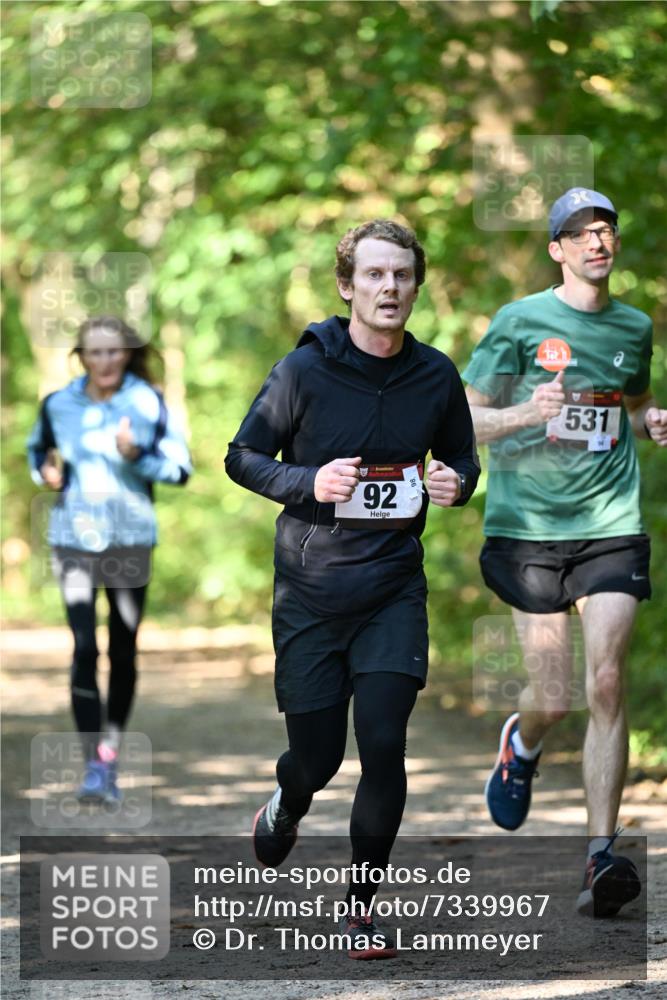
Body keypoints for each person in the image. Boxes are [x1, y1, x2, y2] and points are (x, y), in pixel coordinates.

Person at [226, 220, 479, 959]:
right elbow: (241, 457)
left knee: (383, 743)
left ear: (415, 286)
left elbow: (461, 458)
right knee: (318, 758)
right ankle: (287, 798)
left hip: (391, 588)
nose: (388, 288)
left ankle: (359, 908)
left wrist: (455, 482)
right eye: (373, 275)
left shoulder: (435, 374)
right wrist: (307, 480)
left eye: (401, 275)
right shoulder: (302, 372)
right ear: (347, 286)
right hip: (308, 588)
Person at [462, 188, 666, 917]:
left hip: (611, 520)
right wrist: (526, 412)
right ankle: (521, 741)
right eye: (578, 233)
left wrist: (652, 420)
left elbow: (634, 401)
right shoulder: (519, 321)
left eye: (605, 229)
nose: (595, 242)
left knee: (605, 682)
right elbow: (463, 412)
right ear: (556, 249)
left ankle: (598, 859)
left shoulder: (633, 325)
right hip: (527, 529)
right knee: (553, 694)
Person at [28, 316, 192, 805]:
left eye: (114, 352)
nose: (105, 361)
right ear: (80, 356)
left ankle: (110, 754)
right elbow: (38, 452)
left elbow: (179, 469)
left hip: (129, 540)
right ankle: (92, 768)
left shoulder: (147, 401)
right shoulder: (58, 404)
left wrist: (137, 453)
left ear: (127, 354)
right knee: (83, 649)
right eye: (95, 353)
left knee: (122, 649)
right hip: (74, 539)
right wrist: (47, 473)